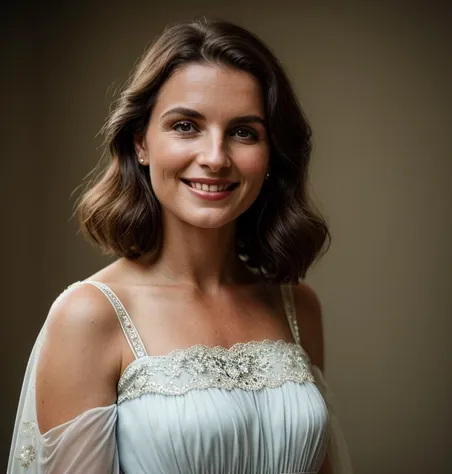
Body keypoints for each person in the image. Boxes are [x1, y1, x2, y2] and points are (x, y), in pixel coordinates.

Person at [8, 19, 353, 474]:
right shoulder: (90, 316)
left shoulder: (297, 306)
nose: (215, 157)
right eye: (186, 125)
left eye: (244, 132)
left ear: (271, 155)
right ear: (141, 143)